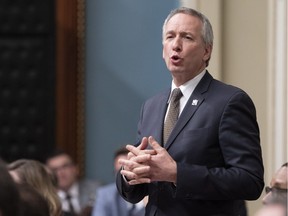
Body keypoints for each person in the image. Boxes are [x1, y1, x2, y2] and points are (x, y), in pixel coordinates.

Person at [116, 7, 264, 216]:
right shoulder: (151, 106)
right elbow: (138, 191)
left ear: (206, 51)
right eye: (170, 37)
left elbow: (250, 181)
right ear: (163, 49)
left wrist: (178, 174)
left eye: (186, 37)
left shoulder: (230, 101)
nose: (176, 45)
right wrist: (129, 174)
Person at [92, 147, 146, 216]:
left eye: (129, 170)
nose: (125, 177)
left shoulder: (152, 193)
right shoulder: (105, 195)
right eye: (120, 173)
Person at [45, 150, 102, 216]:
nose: (61, 173)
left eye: (65, 166)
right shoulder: (46, 200)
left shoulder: (97, 188)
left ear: (76, 169)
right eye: (54, 169)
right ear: (48, 175)